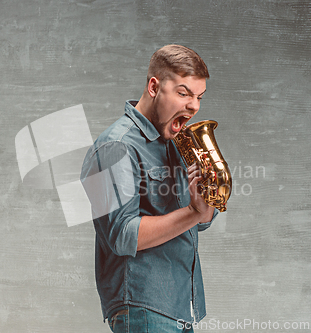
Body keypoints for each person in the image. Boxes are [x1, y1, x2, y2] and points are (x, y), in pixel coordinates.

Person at [80, 44, 219, 332]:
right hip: (143, 309)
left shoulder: (176, 144)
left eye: (199, 97)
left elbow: (199, 222)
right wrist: (193, 212)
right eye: (183, 93)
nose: (193, 106)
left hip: (182, 307)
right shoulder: (114, 147)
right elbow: (122, 235)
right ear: (154, 87)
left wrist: (206, 205)